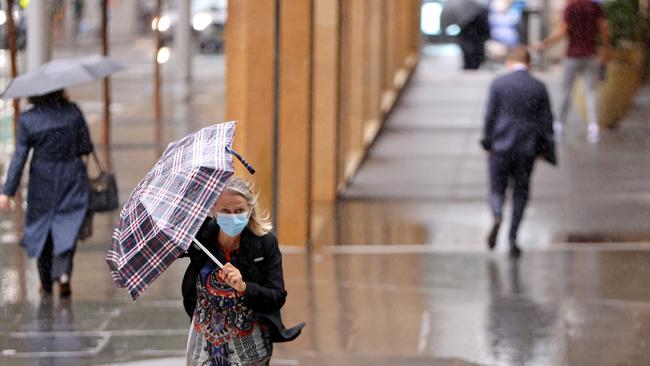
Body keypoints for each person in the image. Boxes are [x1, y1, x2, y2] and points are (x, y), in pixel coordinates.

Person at [182, 177, 304, 365]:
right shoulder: (199, 239)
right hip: (203, 350)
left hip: (249, 350)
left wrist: (245, 287)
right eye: (225, 211)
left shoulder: (264, 244)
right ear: (214, 210)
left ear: (249, 211)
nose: (232, 216)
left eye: (239, 210)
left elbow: (277, 296)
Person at [0, 89, 94, 298]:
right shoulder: (73, 113)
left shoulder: (29, 119)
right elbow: (86, 146)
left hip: (42, 181)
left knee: (42, 228)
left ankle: (45, 282)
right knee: (66, 227)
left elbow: (19, 157)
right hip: (71, 177)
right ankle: (63, 274)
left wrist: (7, 191)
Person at [481, 47, 555, 257]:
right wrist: (543, 149)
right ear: (530, 64)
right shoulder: (538, 87)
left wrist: (487, 143)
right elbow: (546, 122)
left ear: (508, 63)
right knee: (521, 192)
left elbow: (490, 117)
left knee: (497, 189)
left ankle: (497, 214)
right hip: (526, 148)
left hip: (500, 146)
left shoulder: (499, 84)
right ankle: (513, 236)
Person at [536, 0, 610, 143]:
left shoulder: (571, 7)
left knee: (566, 91)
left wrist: (544, 44)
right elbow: (604, 29)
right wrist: (607, 48)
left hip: (573, 56)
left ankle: (559, 126)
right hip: (591, 54)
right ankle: (593, 128)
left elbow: (562, 32)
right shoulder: (595, 6)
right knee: (591, 93)